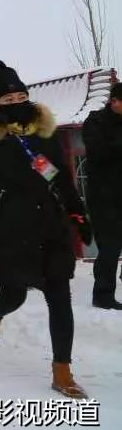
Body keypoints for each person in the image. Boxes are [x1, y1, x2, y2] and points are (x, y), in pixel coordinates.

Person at [0, 61, 92, 399]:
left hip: (50, 228)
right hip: (10, 231)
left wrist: (78, 212)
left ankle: (62, 371)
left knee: (60, 298)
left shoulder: (44, 134)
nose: (16, 101)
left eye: (21, 95)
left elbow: (60, 178)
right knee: (13, 294)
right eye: (9, 97)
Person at [83, 82, 122, 310]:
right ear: (114, 101)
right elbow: (98, 152)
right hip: (103, 196)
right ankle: (103, 295)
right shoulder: (95, 121)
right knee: (110, 247)